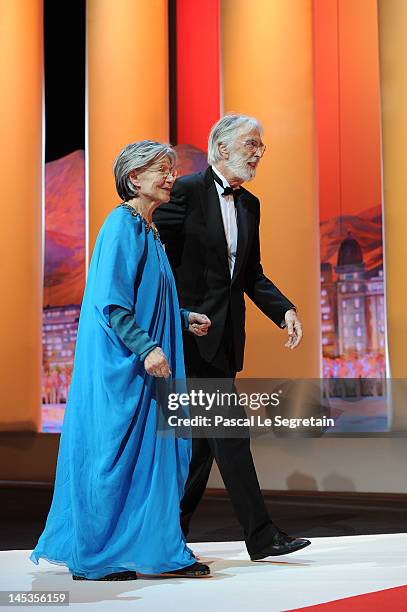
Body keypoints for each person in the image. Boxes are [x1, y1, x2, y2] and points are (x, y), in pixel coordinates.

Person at [30, 141, 211, 580]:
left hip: (147, 370)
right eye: (161, 170)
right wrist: (147, 347)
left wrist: (183, 318)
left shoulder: (148, 230)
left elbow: (149, 298)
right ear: (134, 179)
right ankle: (94, 557)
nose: (171, 177)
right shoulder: (120, 225)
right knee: (111, 462)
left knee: (158, 461)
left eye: (171, 169)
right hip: (125, 371)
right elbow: (112, 304)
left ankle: (158, 550)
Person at [153, 114, 311, 561]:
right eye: (252, 144)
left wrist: (284, 311)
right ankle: (261, 536)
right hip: (189, 336)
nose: (260, 152)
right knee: (231, 430)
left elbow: (250, 274)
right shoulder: (182, 192)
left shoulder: (250, 204)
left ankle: (166, 535)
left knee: (202, 446)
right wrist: (177, 315)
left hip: (223, 341)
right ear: (222, 148)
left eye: (261, 146)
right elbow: (153, 261)